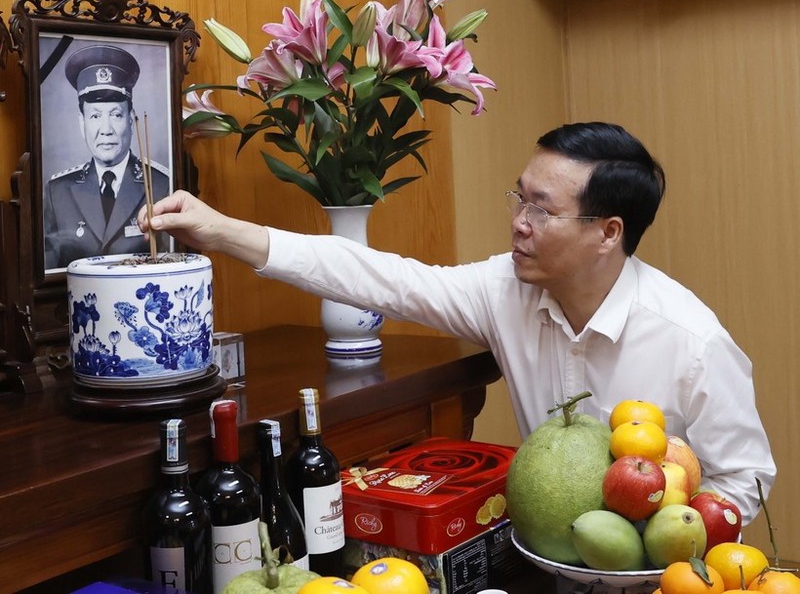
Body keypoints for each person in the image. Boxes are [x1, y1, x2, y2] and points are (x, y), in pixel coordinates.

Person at [137, 121, 776, 526]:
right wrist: (221, 229)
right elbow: (373, 275)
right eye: (518, 197)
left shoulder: (690, 340)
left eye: (542, 209)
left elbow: (744, 481)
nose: (519, 221)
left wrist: (651, 541)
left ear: (608, 232)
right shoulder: (505, 290)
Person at [43, 44, 170, 269]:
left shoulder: (161, 184)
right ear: (82, 123)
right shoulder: (58, 191)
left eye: (116, 114)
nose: (106, 129)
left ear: (130, 119)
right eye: (94, 116)